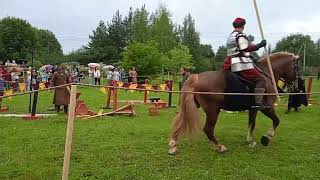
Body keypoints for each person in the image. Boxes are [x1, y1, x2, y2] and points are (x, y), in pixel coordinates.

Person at [223, 17, 268, 109]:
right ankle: (258, 103)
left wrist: (250, 55)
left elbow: (238, 50)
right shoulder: (240, 35)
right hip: (239, 63)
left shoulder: (231, 36)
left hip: (230, 62)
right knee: (261, 79)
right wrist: (259, 45)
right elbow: (245, 47)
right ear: (242, 26)